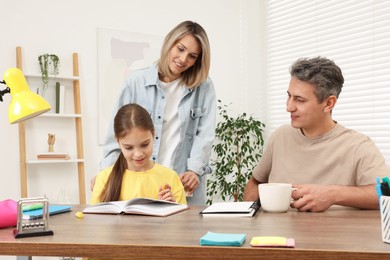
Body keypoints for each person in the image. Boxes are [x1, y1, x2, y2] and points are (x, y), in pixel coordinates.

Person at [243, 56, 389, 212]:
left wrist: (332, 194)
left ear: (328, 103)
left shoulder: (358, 146)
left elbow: (385, 194)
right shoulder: (280, 137)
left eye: (299, 100)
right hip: (277, 236)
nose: (289, 107)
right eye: (289, 96)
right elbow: (255, 183)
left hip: (331, 235)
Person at [97, 21, 216, 206]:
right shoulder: (136, 82)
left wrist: (195, 170)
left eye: (192, 56)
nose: (183, 59)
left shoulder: (204, 87)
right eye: (180, 49)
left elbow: (205, 134)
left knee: (186, 234)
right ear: (170, 43)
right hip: (142, 179)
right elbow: (117, 134)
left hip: (183, 183)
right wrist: (105, 174)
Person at [91, 103, 187, 205]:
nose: (138, 154)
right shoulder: (104, 179)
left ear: (153, 134)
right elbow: (94, 219)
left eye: (144, 145)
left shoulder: (170, 178)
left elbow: (183, 220)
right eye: (129, 148)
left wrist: (172, 208)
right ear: (117, 141)